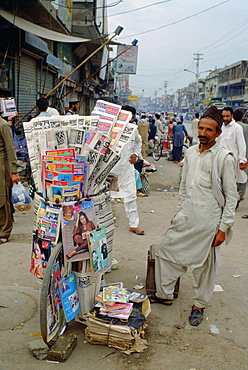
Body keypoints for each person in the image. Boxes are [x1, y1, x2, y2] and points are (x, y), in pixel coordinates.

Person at [149, 106, 237, 327]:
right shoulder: (189, 152)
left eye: (209, 130)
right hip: (187, 216)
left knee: (205, 267)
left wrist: (223, 228)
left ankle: (199, 305)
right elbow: (183, 186)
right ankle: (165, 295)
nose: (204, 133)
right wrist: (180, 211)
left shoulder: (224, 157)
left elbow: (232, 196)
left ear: (218, 133)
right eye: (201, 128)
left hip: (209, 222)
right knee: (166, 252)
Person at [111, 105, 145, 235]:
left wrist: (136, 154)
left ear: (132, 118)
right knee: (106, 198)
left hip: (127, 169)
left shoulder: (133, 130)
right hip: (111, 170)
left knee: (131, 196)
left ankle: (133, 224)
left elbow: (138, 141)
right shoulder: (112, 129)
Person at [216, 107, 247, 208]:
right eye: (223, 116)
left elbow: (241, 145)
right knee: (221, 182)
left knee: (231, 183)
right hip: (221, 160)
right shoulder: (221, 128)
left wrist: (242, 160)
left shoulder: (237, 128)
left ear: (232, 116)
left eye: (227, 116)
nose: (225, 118)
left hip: (233, 161)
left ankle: (233, 201)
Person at [0, 116, 20, 243]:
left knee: (3, 198)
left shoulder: (3, 125)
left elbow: (10, 148)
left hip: (2, 166)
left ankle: (5, 231)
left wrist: (14, 171)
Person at [233, 109, 248, 203]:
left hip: (234, 154)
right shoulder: (246, 127)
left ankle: (234, 193)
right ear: (242, 117)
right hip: (245, 154)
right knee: (243, 175)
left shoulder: (232, 127)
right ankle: (241, 194)